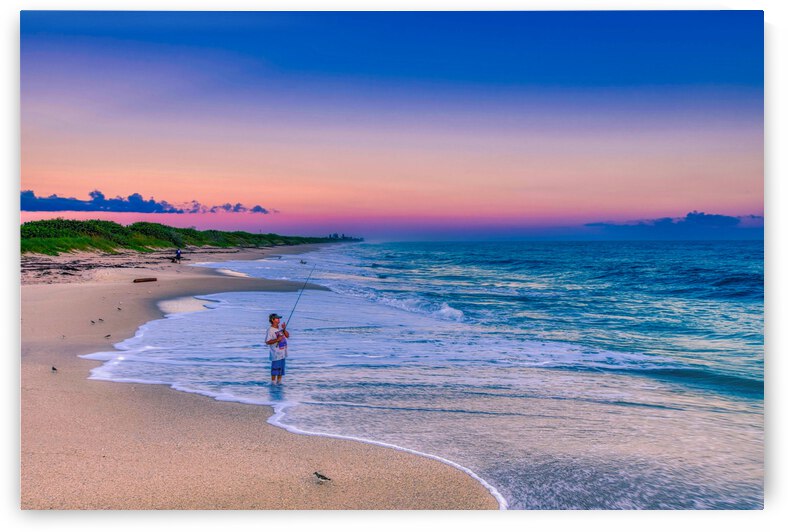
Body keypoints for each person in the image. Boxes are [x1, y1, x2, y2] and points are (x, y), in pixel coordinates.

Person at [265, 313, 289, 384]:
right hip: (276, 354)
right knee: (275, 370)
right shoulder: (270, 330)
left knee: (280, 371)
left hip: (282, 353)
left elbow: (287, 335)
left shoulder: (279, 329)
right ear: (272, 320)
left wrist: (284, 329)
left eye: (279, 318)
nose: (279, 319)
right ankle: (273, 385)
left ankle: (278, 386)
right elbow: (267, 341)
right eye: (277, 318)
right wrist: (277, 340)